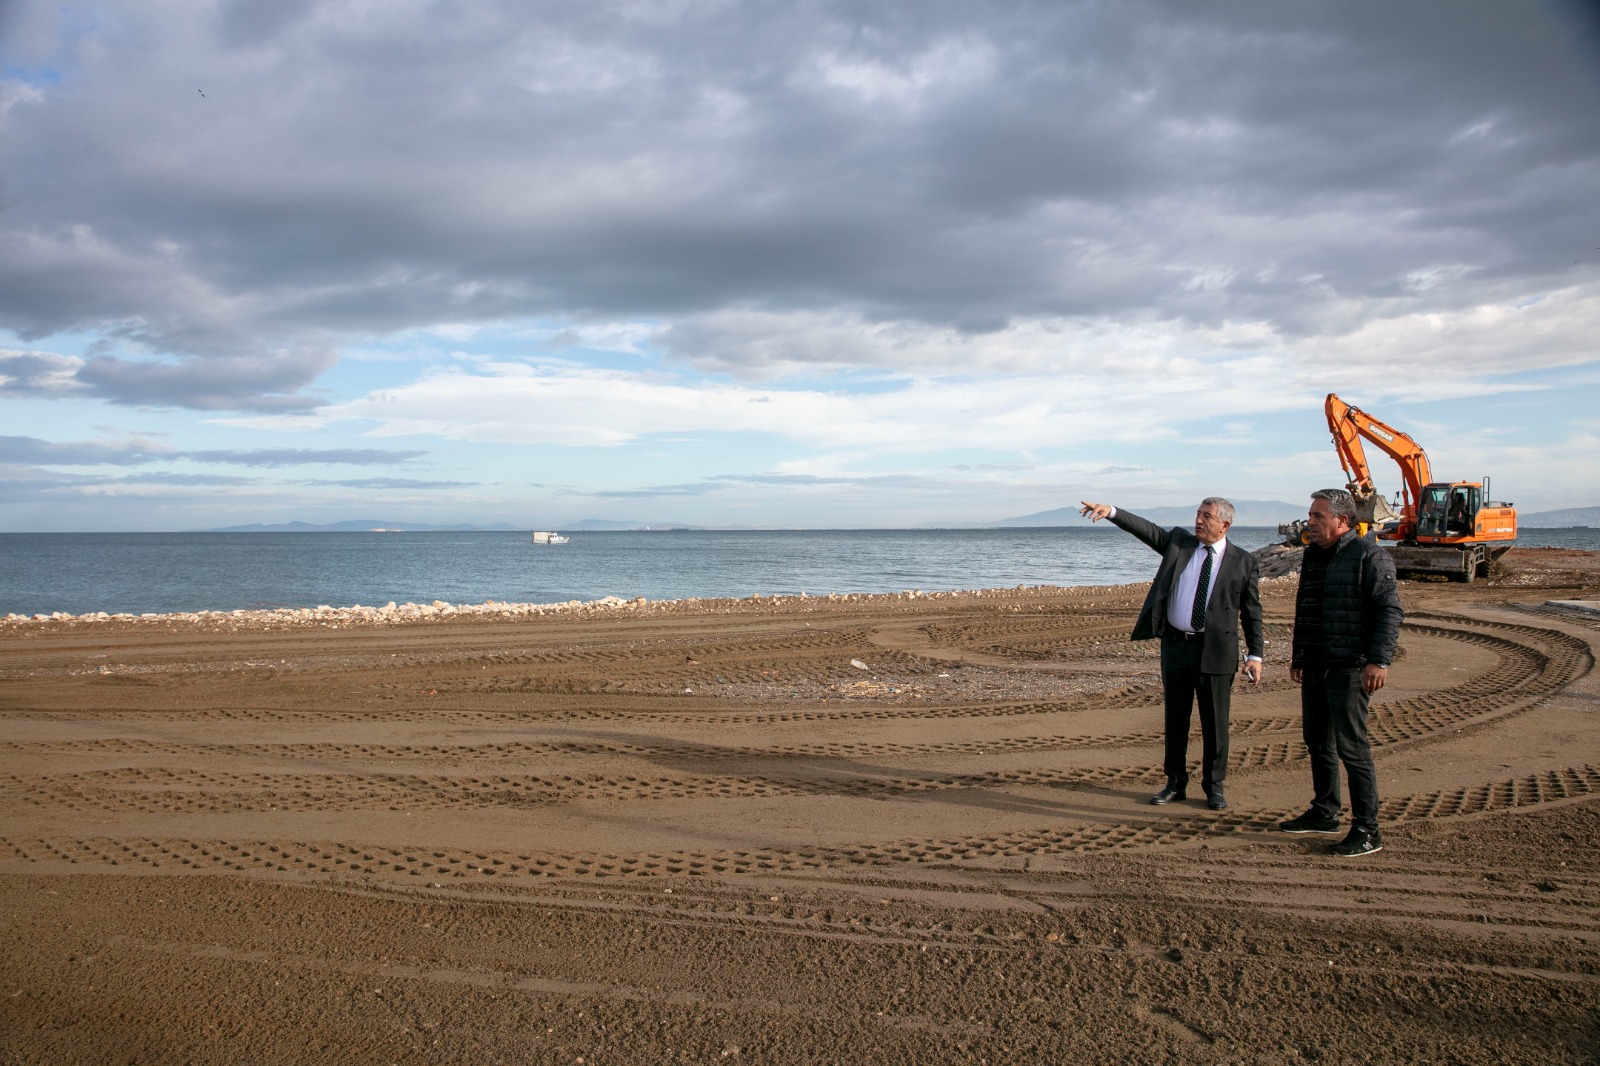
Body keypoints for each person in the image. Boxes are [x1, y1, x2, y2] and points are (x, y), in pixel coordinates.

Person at [1079, 498, 1264, 810]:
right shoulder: (1180, 544)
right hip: (1177, 647)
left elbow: (1252, 612)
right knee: (1176, 720)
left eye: (1207, 516)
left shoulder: (1243, 561)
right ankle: (1175, 783)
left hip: (1217, 651)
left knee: (1215, 723)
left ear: (1225, 525)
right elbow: (1148, 531)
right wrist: (1112, 512)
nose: (1199, 520)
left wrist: (1255, 655)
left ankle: (1214, 786)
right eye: (1198, 514)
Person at [1279, 488, 1403, 857]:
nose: (1310, 522)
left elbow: (1389, 610)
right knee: (1317, 741)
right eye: (1310, 515)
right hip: (1316, 663)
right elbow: (1307, 607)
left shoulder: (1369, 556)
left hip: (1350, 665)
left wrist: (1379, 661)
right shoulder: (1313, 554)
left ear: (1342, 520)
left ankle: (1367, 830)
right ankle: (1324, 811)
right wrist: (1300, 655)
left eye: (1318, 516)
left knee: (1352, 748)